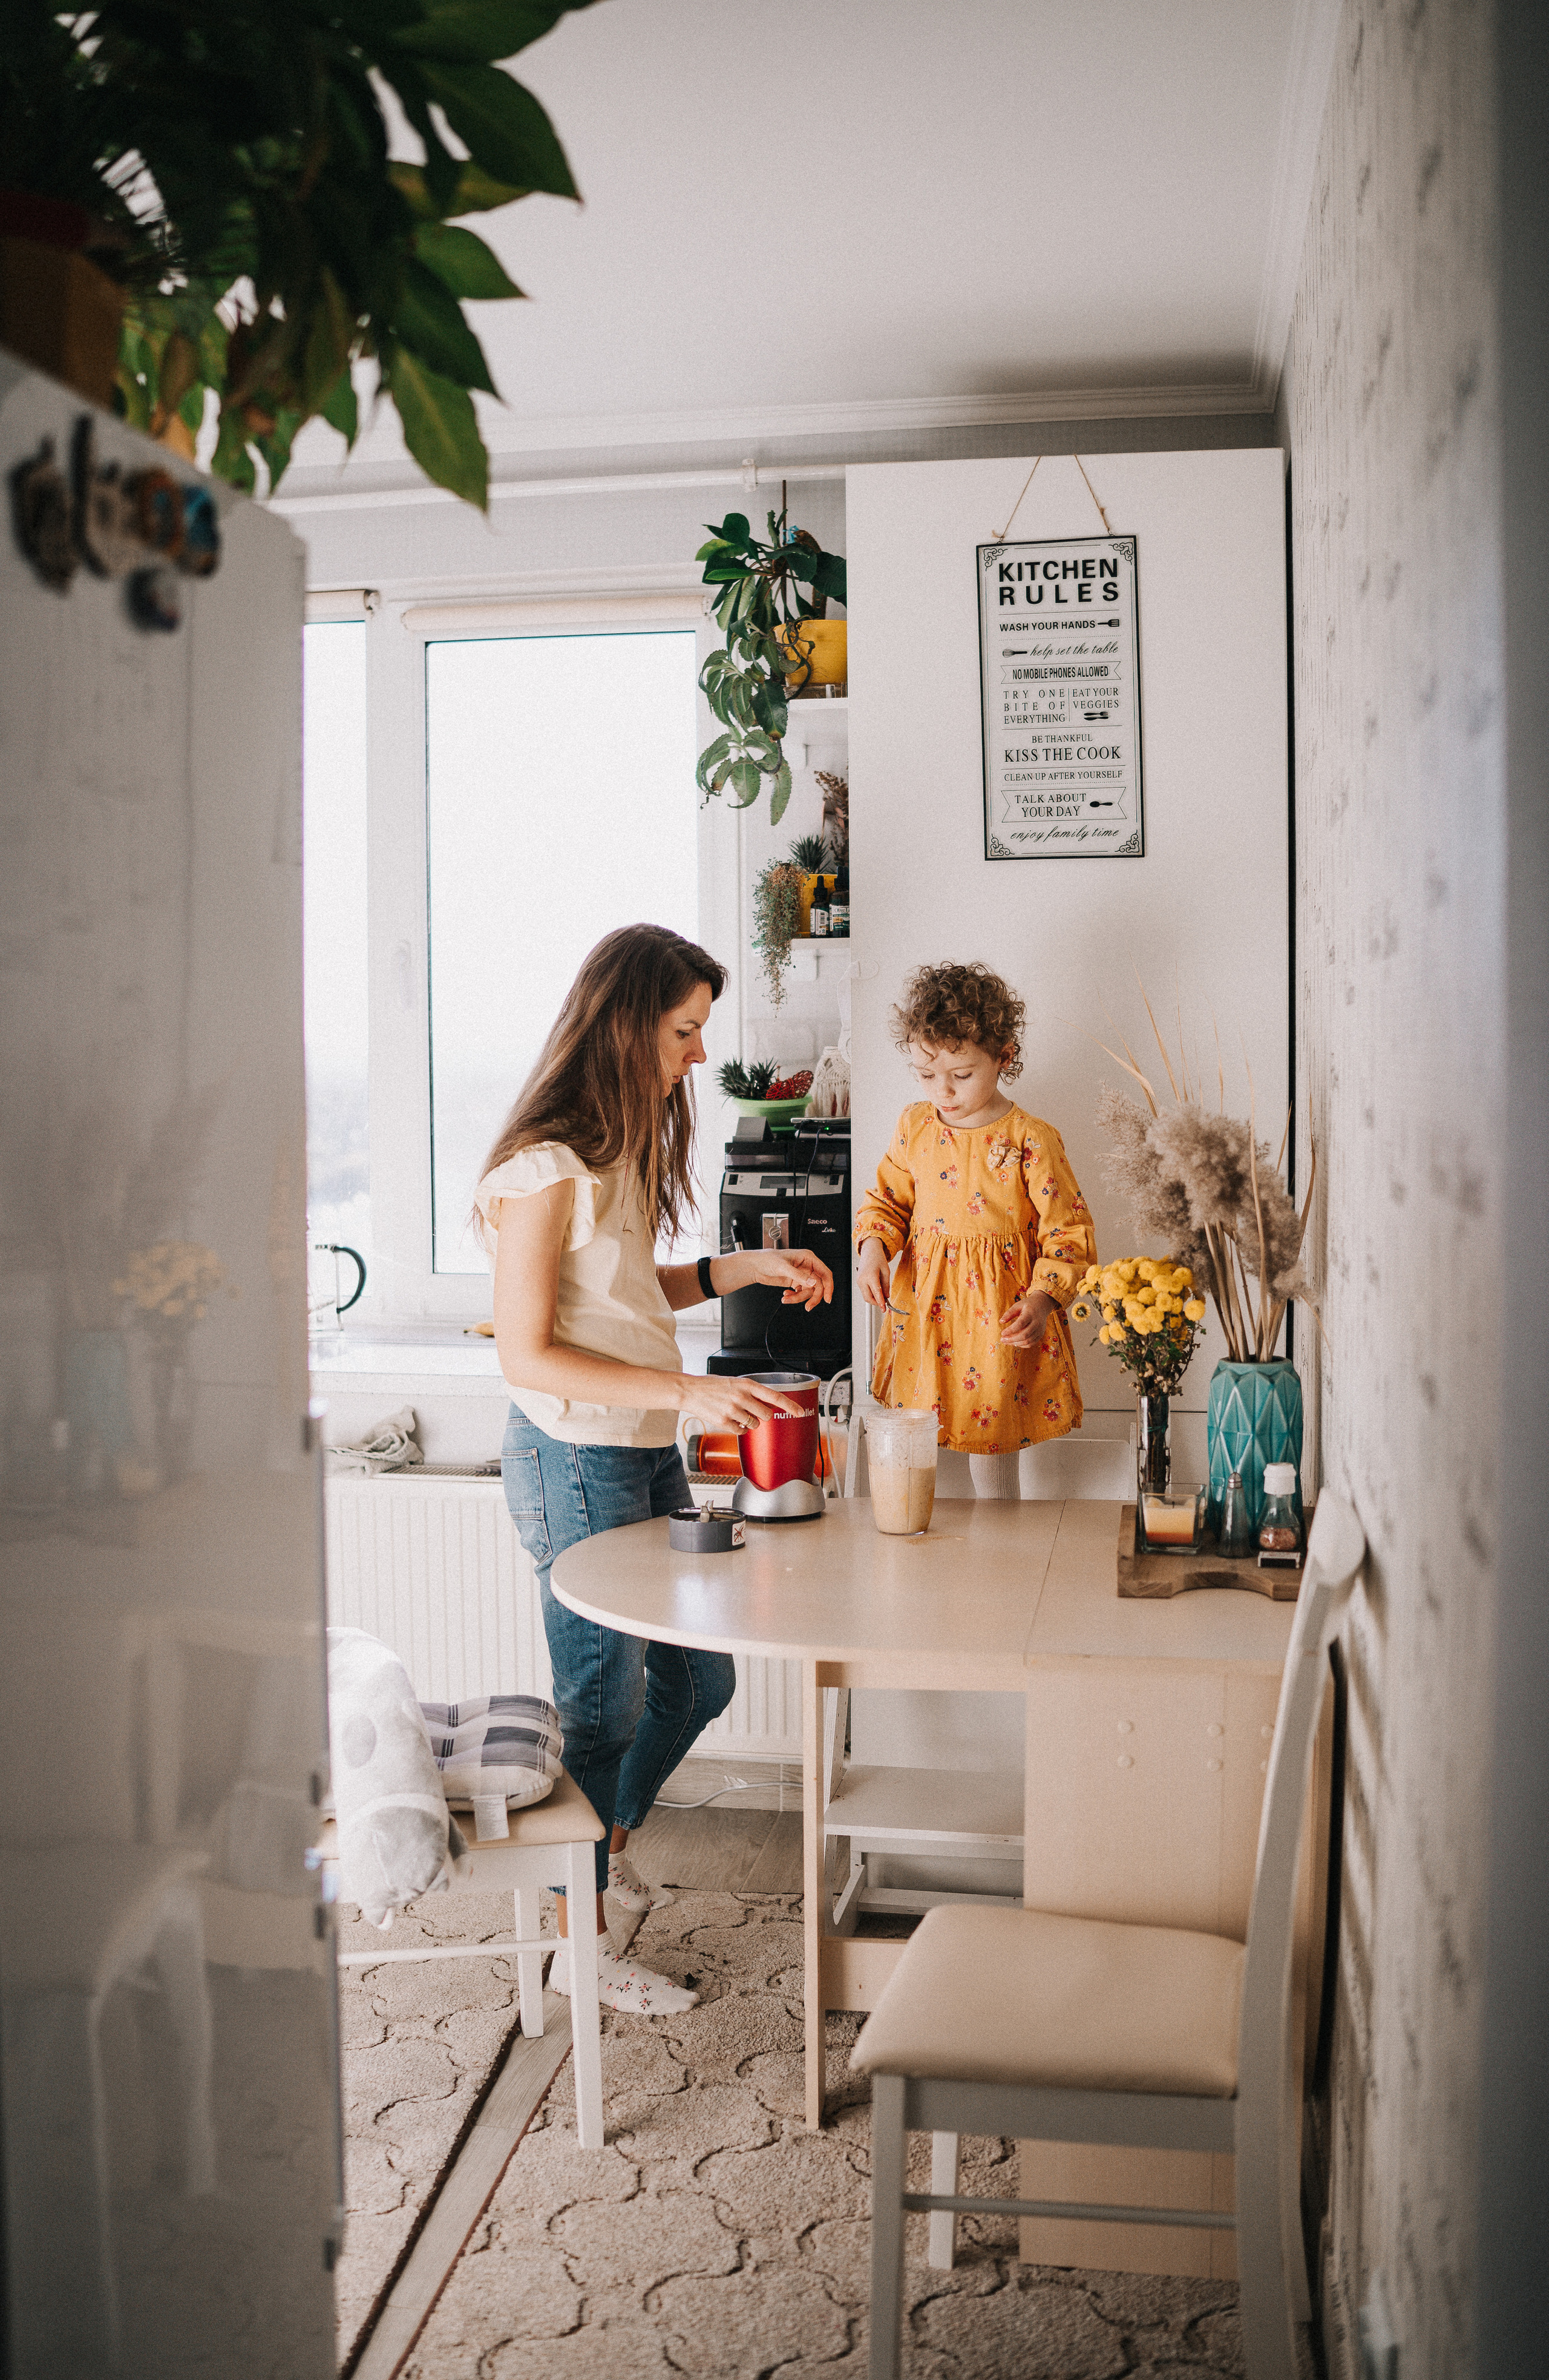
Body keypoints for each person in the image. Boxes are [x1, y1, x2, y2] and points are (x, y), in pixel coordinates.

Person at [476, 924, 834, 2014]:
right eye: (684, 1031)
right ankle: (571, 1939)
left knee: (701, 1679)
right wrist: (689, 1396)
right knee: (600, 1709)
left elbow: (629, 1302)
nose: (695, 1055)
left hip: (632, 1449)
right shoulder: (540, 1170)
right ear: (628, 1020)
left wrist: (742, 1266)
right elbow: (527, 1348)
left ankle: (596, 1855)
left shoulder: (612, 1150)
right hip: (576, 1456)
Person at [854, 960, 1096, 1498]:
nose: (943, 1090)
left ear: (1003, 1057)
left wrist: (1042, 1301)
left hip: (998, 1320)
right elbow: (887, 1201)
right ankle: (920, 1547)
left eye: (961, 1075)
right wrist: (873, 1249)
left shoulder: (1031, 1139)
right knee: (920, 1443)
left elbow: (1068, 1233)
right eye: (925, 1074)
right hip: (926, 1315)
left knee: (991, 1442)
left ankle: (998, 1551)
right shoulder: (914, 1125)